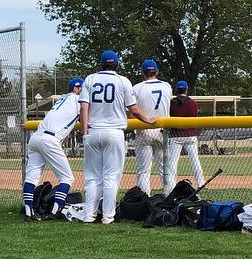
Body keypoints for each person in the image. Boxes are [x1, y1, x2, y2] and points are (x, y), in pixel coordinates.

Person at [78, 51, 155, 223]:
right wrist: (148, 120)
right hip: (114, 132)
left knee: (92, 177)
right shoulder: (123, 81)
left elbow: (84, 108)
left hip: (93, 131)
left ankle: (89, 215)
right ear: (117, 65)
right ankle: (107, 216)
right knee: (111, 176)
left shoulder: (90, 79)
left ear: (101, 64)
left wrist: (84, 133)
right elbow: (133, 109)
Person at [23, 78, 83, 220]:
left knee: (31, 177)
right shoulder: (78, 99)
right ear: (76, 88)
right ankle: (55, 212)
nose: (84, 91)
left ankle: (28, 212)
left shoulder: (62, 99)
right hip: (50, 139)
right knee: (67, 178)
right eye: (82, 88)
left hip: (36, 138)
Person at [131, 59, 172, 194]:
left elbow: (131, 111)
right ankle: (170, 197)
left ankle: (144, 199)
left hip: (144, 130)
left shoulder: (137, 88)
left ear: (143, 73)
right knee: (165, 169)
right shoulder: (166, 86)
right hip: (163, 130)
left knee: (143, 170)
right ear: (157, 71)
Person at [164, 81, 204, 195]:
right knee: (195, 160)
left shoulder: (171, 103)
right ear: (186, 90)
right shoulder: (193, 103)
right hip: (190, 135)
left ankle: (171, 185)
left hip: (176, 135)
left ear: (177, 90)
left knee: (172, 162)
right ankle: (201, 183)